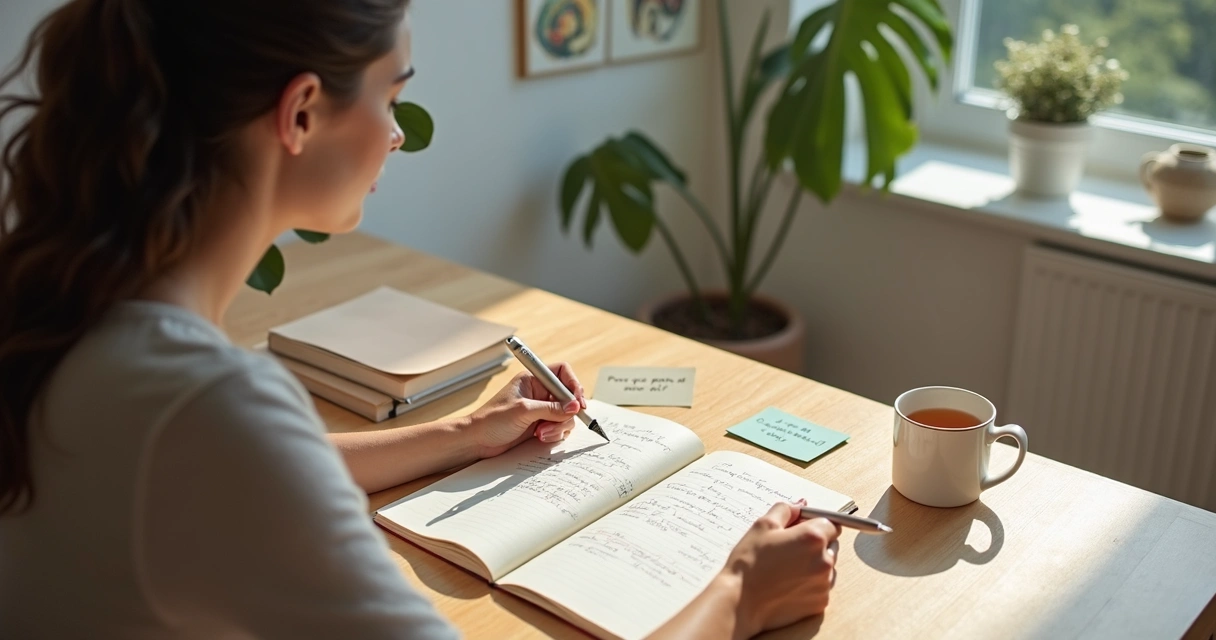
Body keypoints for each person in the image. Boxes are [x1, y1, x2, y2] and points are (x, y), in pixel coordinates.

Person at [0, 0, 841, 637]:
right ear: (299, 113)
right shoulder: (207, 409)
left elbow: (242, 466)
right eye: (392, 96)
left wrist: (464, 434)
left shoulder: (69, 310)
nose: (398, 135)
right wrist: (738, 591)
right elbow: (231, 450)